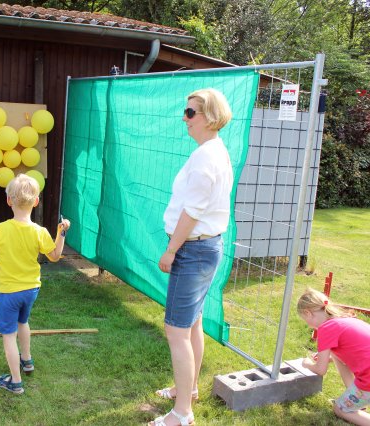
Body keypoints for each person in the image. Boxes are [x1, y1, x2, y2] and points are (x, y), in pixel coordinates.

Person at [151, 88, 234, 426]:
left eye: (190, 113)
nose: (184, 118)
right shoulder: (212, 151)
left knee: (176, 330)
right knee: (193, 322)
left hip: (192, 250)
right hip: (202, 248)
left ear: (209, 117)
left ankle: (182, 412)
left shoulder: (206, 157)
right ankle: (189, 390)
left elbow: (192, 211)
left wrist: (171, 250)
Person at [0, 173, 70, 395]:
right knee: (23, 321)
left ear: (8, 200)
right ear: (36, 201)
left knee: (8, 335)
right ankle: (27, 360)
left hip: (9, 292)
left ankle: (15, 381)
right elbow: (55, 256)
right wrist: (61, 233)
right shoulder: (40, 232)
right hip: (31, 290)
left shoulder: (0, 229)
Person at [298, 288, 370, 425]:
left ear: (308, 313)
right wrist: (328, 357)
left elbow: (320, 370)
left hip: (368, 378)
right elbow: (354, 351)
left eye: (305, 320)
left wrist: (307, 363)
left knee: (340, 409)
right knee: (335, 354)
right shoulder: (345, 319)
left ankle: (354, 405)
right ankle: (358, 403)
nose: (308, 325)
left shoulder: (325, 329)